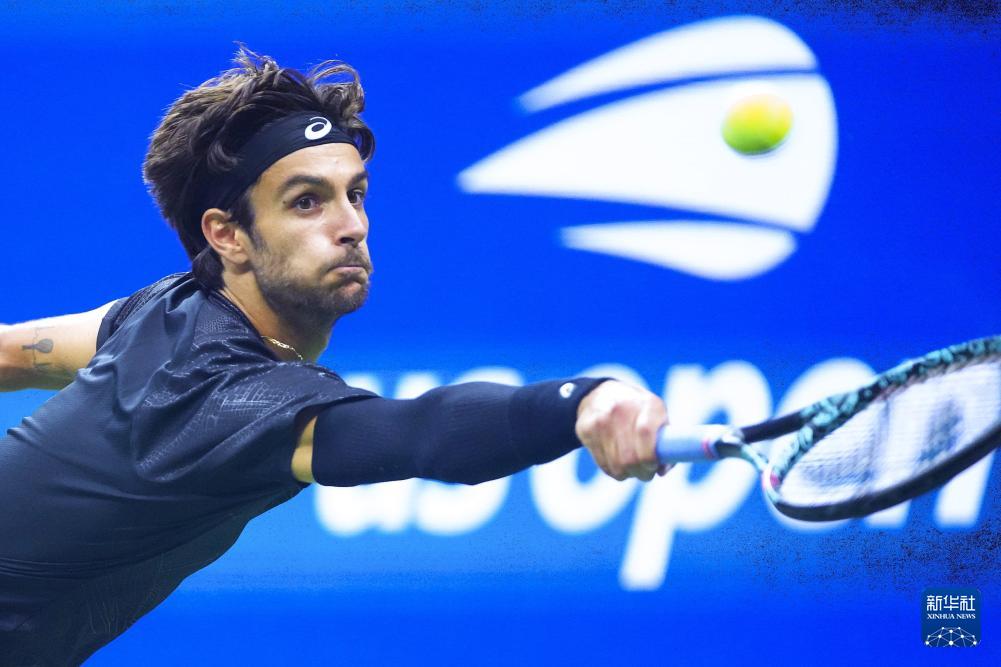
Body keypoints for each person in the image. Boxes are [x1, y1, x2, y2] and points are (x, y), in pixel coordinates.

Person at [0, 47, 668, 665]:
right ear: (227, 235)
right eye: (306, 202)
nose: (351, 225)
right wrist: (581, 402)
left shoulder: (164, 309)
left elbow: (10, 353)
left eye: (356, 194)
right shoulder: (229, 396)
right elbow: (425, 433)